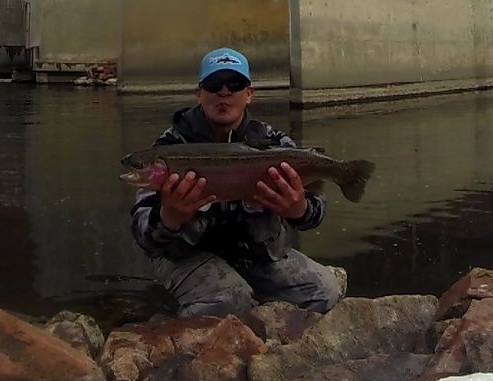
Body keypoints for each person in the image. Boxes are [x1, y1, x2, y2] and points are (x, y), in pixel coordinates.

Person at [130, 47, 341, 318]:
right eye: (214, 84)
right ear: (199, 93)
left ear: (249, 94)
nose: (225, 92)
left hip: (254, 253)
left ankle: (256, 320)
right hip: (186, 255)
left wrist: (299, 210)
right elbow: (144, 238)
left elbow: (316, 213)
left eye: (235, 84)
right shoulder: (169, 149)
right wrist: (169, 219)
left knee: (325, 291)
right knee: (230, 300)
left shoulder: (274, 144)